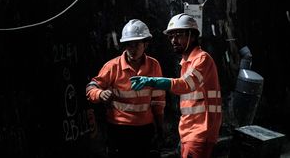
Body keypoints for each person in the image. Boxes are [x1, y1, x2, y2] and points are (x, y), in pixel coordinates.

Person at [130, 13, 222, 158]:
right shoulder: (187, 63)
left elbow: (185, 84)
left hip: (201, 131)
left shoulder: (202, 59)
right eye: (171, 36)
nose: (174, 40)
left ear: (192, 35)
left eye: (178, 35)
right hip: (189, 131)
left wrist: (152, 81)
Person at [86, 19, 166, 158]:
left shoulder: (154, 66)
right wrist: (100, 94)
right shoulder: (113, 67)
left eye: (137, 44)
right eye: (129, 45)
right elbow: (91, 87)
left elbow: (158, 100)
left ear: (145, 44)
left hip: (144, 130)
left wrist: (160, 127)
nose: (132, 49)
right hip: (119, 130)